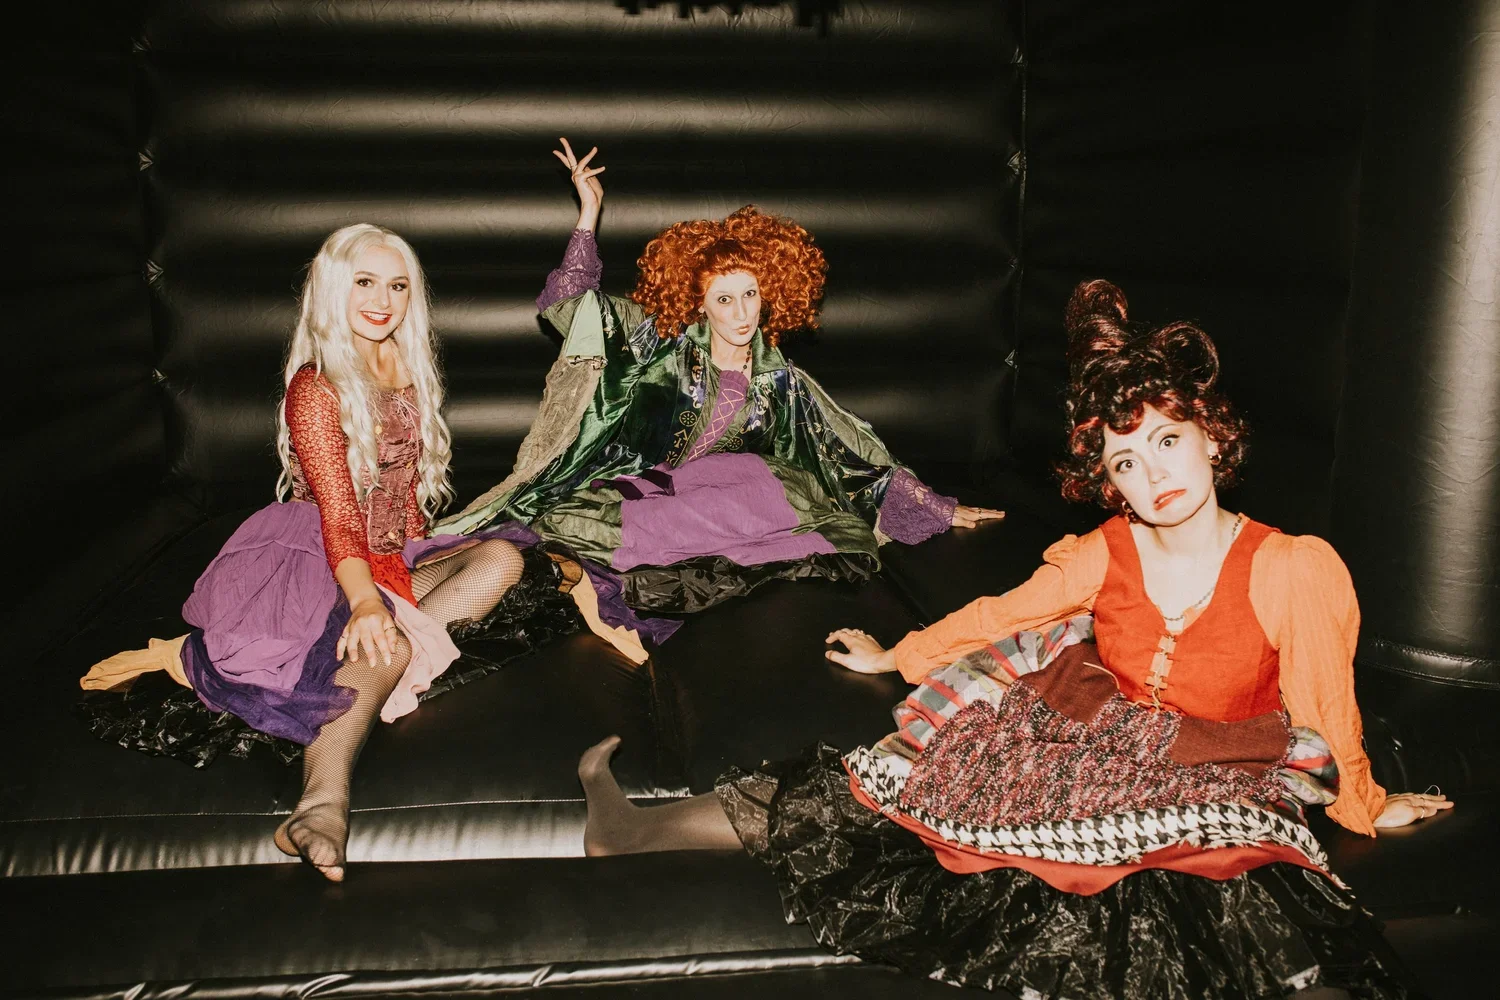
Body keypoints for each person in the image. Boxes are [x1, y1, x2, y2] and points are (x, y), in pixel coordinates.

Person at [573, 279, 1452, 998]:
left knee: (1232, 899)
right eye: (1126, 463)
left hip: (1220, 761)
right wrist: (901, 655)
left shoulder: (1293, 567)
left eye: (1168, 441)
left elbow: (1328, 702)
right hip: (1090, 733)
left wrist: (1365, 804)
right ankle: (628, 827)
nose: (1155, 476)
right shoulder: (1102, 555)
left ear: (1212, 441)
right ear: (1106, 482)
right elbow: (1004, 613)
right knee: (879, 792)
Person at [79, 224, 613, 882]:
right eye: (365, 281)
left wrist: (432, 549)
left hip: (390, 553)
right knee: (381, 641)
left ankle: (372, 664)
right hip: (316, 551)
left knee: (501, 561)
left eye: (397, 284)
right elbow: (338, 513)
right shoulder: (317, 385)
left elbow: (409, 498)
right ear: (334, 288)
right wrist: (365, 604)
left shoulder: (406, 364)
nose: (382, 299)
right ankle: (321, 803)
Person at [436, 139, 1003, 613]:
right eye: (724, 299)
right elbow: (570, 306)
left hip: (709, 502)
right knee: (596, 517)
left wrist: (938, 507)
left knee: (764, 482)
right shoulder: (656, 343)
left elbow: (852, 451)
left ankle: (669, 559)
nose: (742, 313)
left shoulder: (783, 383)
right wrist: (587, 217)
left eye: (751, 294)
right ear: (699, 305)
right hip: (627, 493)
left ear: (771, 294)